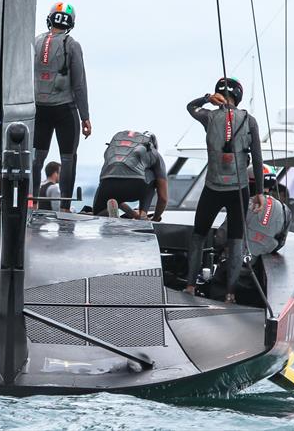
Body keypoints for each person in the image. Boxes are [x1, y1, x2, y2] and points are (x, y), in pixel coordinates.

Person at [184, 77, 265, 302]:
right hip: (239, 190)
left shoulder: (208, 116)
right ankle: (230, 293)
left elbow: (190, 107)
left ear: (218, 94)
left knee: (199, 235)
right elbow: (257, 158)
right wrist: (259, 192)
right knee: (236, 241)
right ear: (238, 96)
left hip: (212, 187)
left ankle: (190, 286)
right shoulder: (249, 120)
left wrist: (207, 99)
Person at [32, 2, 91, 212]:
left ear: (50, 19)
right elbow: (79, 84)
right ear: (70, 23)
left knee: (37, 157)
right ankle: (65, 207)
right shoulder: (72, 44)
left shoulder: (36, 42)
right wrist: (85, 117)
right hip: (65, 108)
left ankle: (33, 203)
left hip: (39, 109)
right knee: (68, 157)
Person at [91, 131, 168, 221]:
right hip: (137, 187)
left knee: (99, 211)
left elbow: (118, 187)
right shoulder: (154, 154)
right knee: (151, 176)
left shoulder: (117, 151)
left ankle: (107, 213)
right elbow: (163, 198)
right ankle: (142, 213)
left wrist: (133, 214)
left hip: (107, 185)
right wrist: (156, 218)